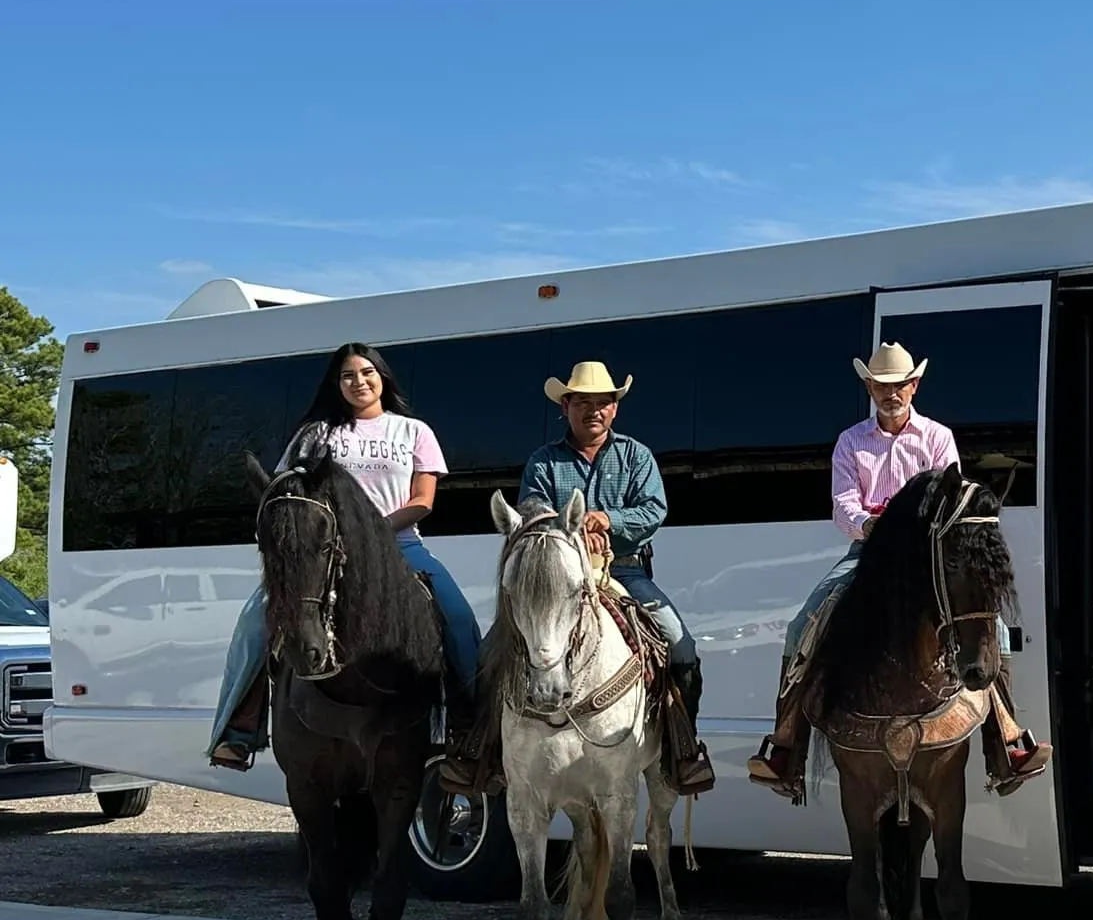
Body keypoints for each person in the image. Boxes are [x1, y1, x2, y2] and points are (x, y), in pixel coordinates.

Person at [747, 340, 1049, 800]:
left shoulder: (937, 437)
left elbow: (951, 500)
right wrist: (870, 524)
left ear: (915, 385)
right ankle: (787, 748)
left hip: (925, 557)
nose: (891, 393)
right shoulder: (851, 441)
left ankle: (1005, 741)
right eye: (882, 385)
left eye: (900, 384)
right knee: (800, 628)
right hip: (867, 554)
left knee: (997, 632)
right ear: (869, 387)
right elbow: (843, 505)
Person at [208, 342, 482, 770]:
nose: (360, 382)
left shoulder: (413, 432)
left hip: (400, 546)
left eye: (367, 373)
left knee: (459, 619)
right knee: (253, 623)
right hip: (320, 556)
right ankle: (239, 731)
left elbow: (423, 500)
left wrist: (368, 535)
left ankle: (469, 730)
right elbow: (288, 494)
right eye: (348, 375)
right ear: (337, 384)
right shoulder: (315, 434)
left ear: (383, 377)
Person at [505, 360, 708, 791]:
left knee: (681, 647)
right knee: (495, 650)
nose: (593, 410)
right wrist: (573, 532)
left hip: (624, 572)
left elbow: (654, 510)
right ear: (566, 407)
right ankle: (480, 751)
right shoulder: (543, 462)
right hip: (558, 579)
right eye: (583, 402)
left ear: (615, 408)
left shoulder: (636, 456)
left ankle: (682, 749)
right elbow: (531, 515)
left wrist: (606, 521)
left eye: (603, 402)